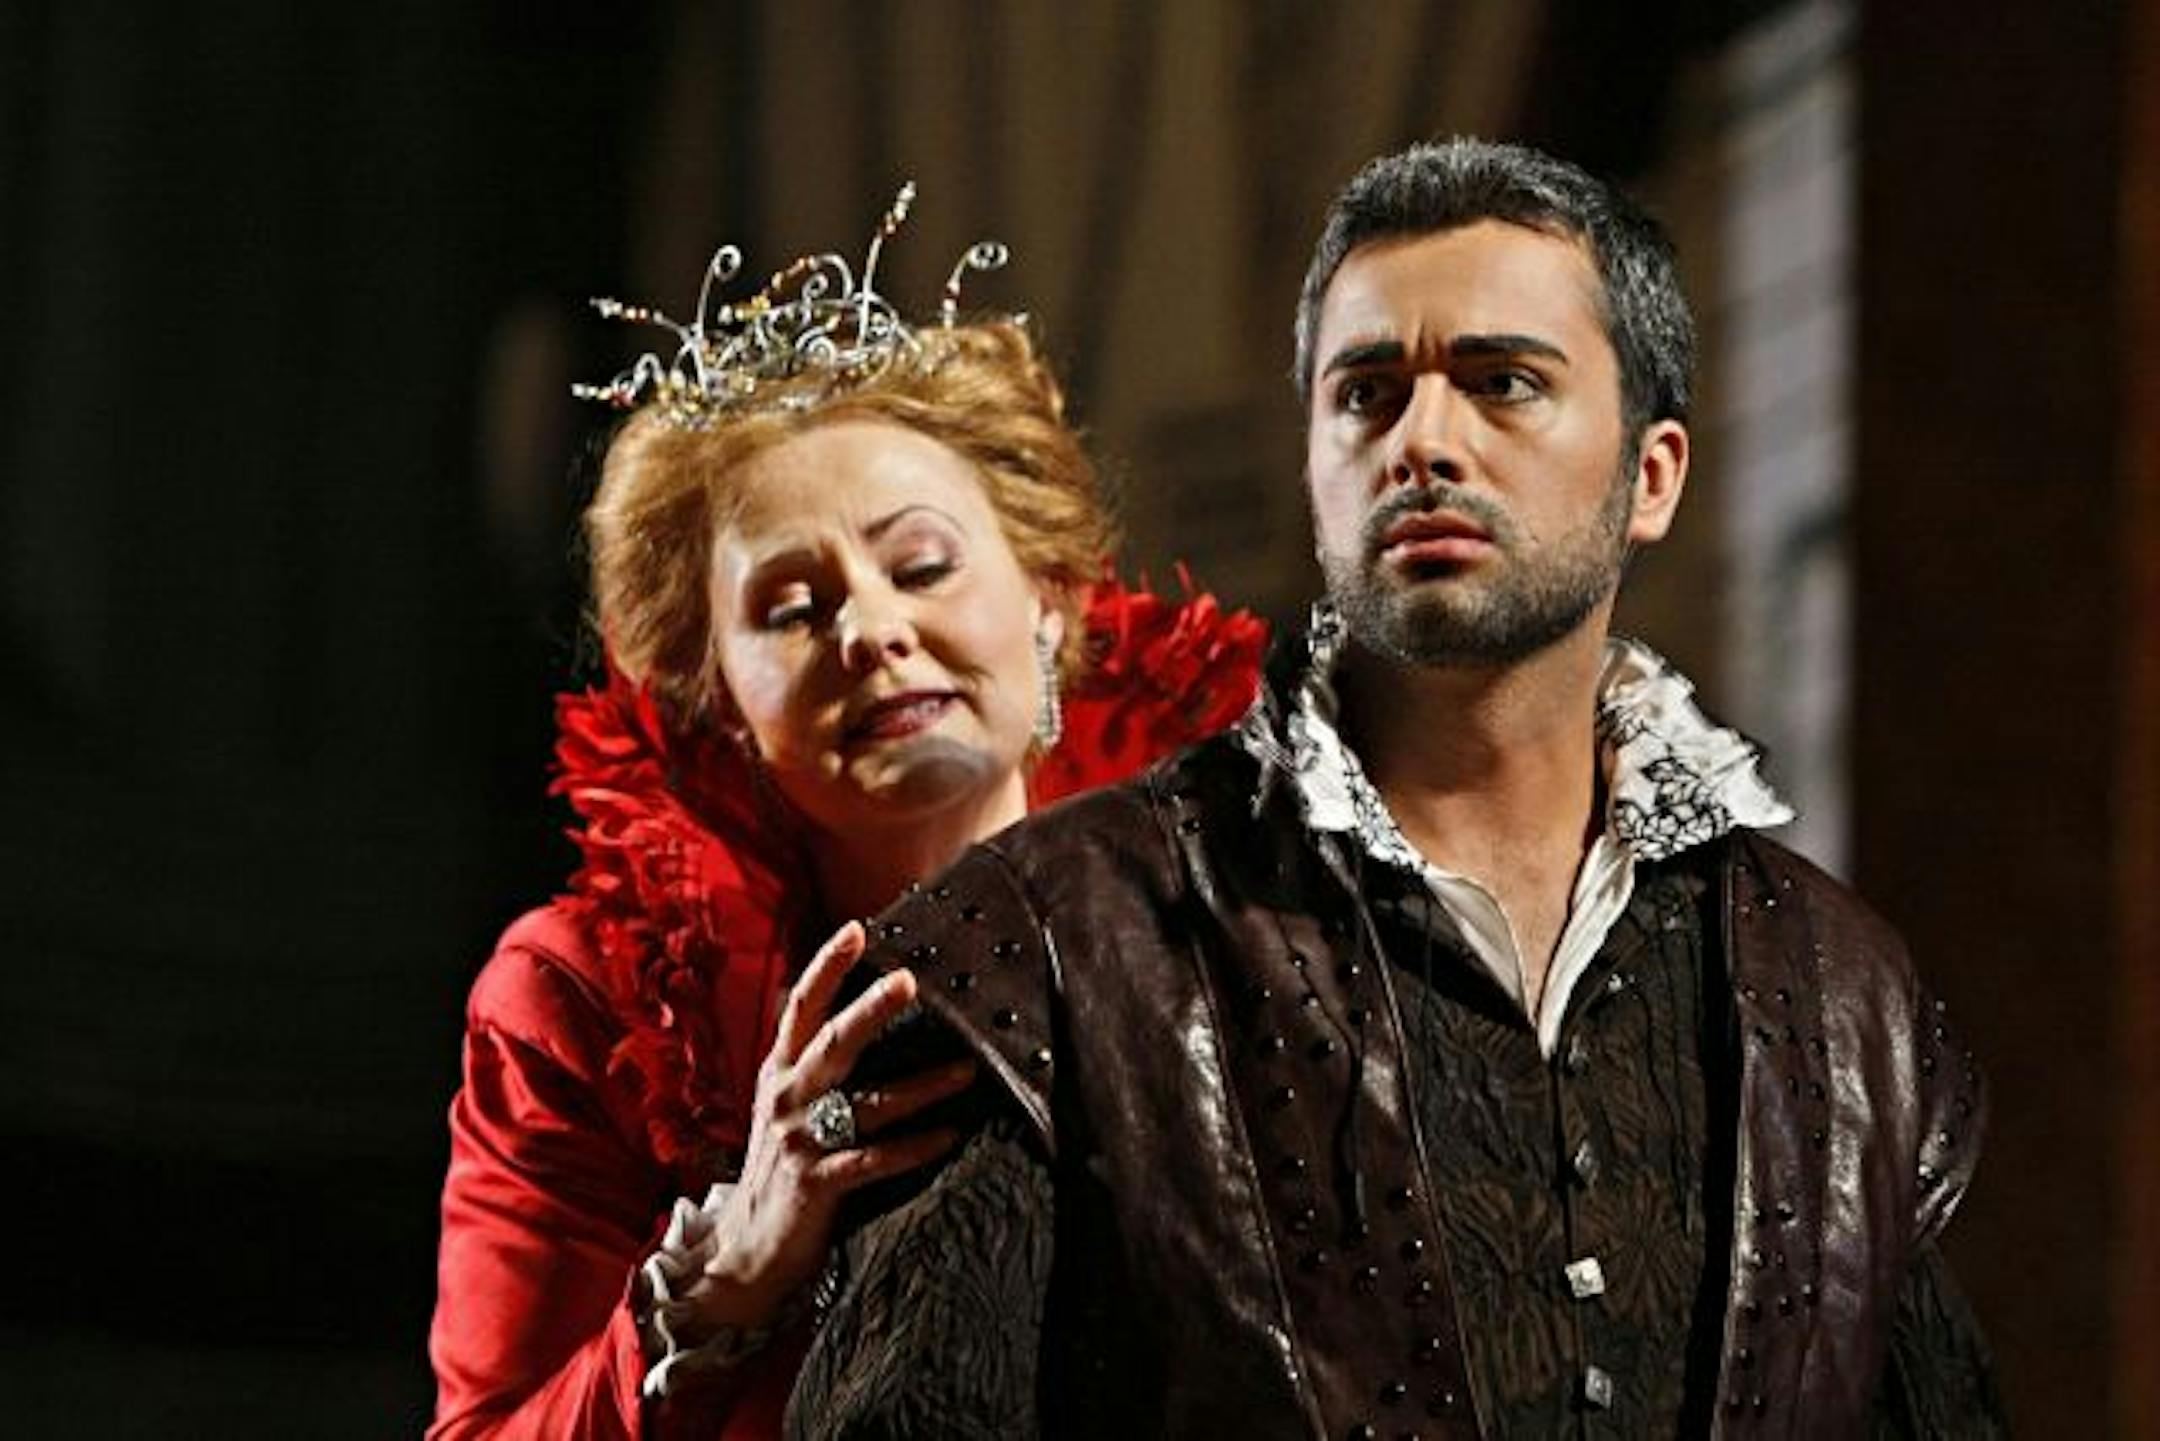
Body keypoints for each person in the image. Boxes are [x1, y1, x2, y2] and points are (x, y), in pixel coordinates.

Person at [788, 141, 2003, 1438]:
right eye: (1366, 395)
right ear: (1313, 464)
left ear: (1651, 477)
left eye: (1502, 383)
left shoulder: (1843, 998)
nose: (1423, 442)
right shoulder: (1040, 952)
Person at [425, 186, 1265, 1440]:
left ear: (1049, 602)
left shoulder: (1255, 918)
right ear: (717, 699)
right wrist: (720, 1291)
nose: (872, 629)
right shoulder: (576, 1004)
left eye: (921, 565)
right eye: (792, 608)